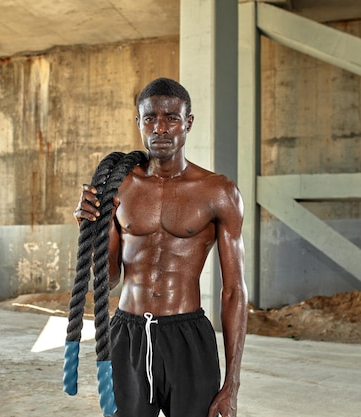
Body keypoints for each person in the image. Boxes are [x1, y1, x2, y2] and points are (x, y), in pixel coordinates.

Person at [73, 78, 247, 417]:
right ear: (138, 122)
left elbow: (234, 292)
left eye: (171, 117)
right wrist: (89, 229)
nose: (161, 128)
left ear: (188, 123)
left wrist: (232, 384)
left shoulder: (218, 191)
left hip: (188, 338)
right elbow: (107, 279)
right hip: (127, 335)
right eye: (150, 118)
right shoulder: (117, 186)